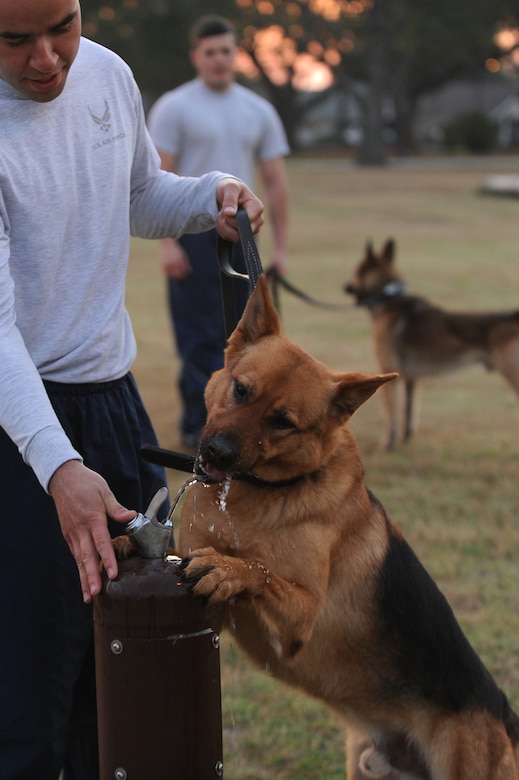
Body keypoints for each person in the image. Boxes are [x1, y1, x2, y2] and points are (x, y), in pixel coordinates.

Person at [0, 2, 264, 778]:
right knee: (27, 697)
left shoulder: (107, 72)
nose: (49, 58)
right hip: (21, 425)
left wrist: (210, 193)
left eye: (65, 26)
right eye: (14, 40)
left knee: (128, 661)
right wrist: (57, 466)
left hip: (113, 405)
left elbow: (140, 193)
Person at [147, 15, 290, 449]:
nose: (219, 60)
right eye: (210, 52)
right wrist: (168, 245)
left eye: (226, 51)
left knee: (247, 335)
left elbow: (275, 181)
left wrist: (280, 247)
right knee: (198, 336)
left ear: (236, 54)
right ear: (196, 57)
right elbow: (156, 179)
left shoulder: (257, 109)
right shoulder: (174, 107)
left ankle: (241, 426)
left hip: (243, 234)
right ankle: (197, 424)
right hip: (190, 233)